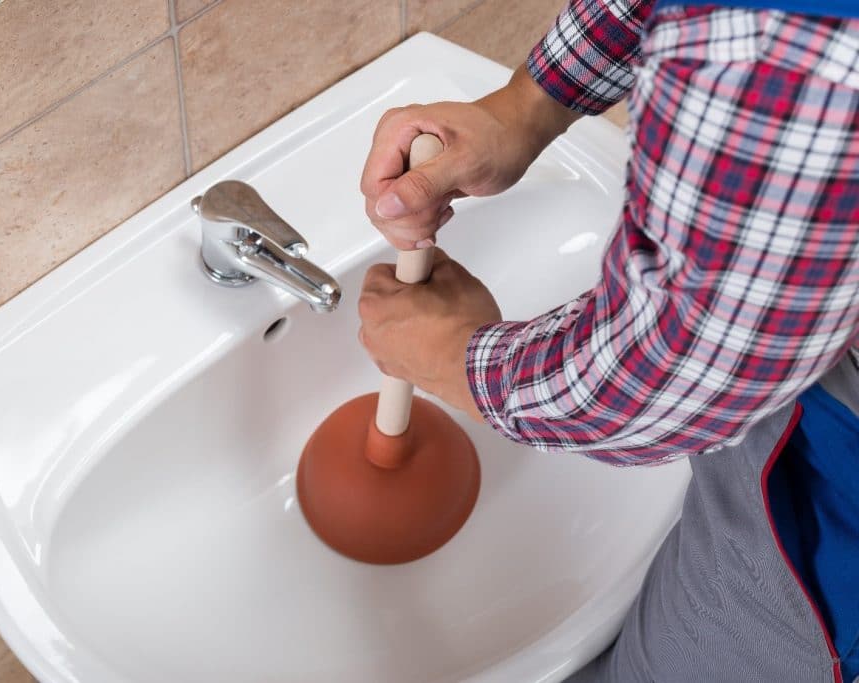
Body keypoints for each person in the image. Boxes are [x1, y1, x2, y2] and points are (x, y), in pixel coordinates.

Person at [357, 1, 859, 681]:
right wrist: (526, 105)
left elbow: (680, 374)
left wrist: (453, 355)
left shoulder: (792, 53)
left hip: (826, 543)